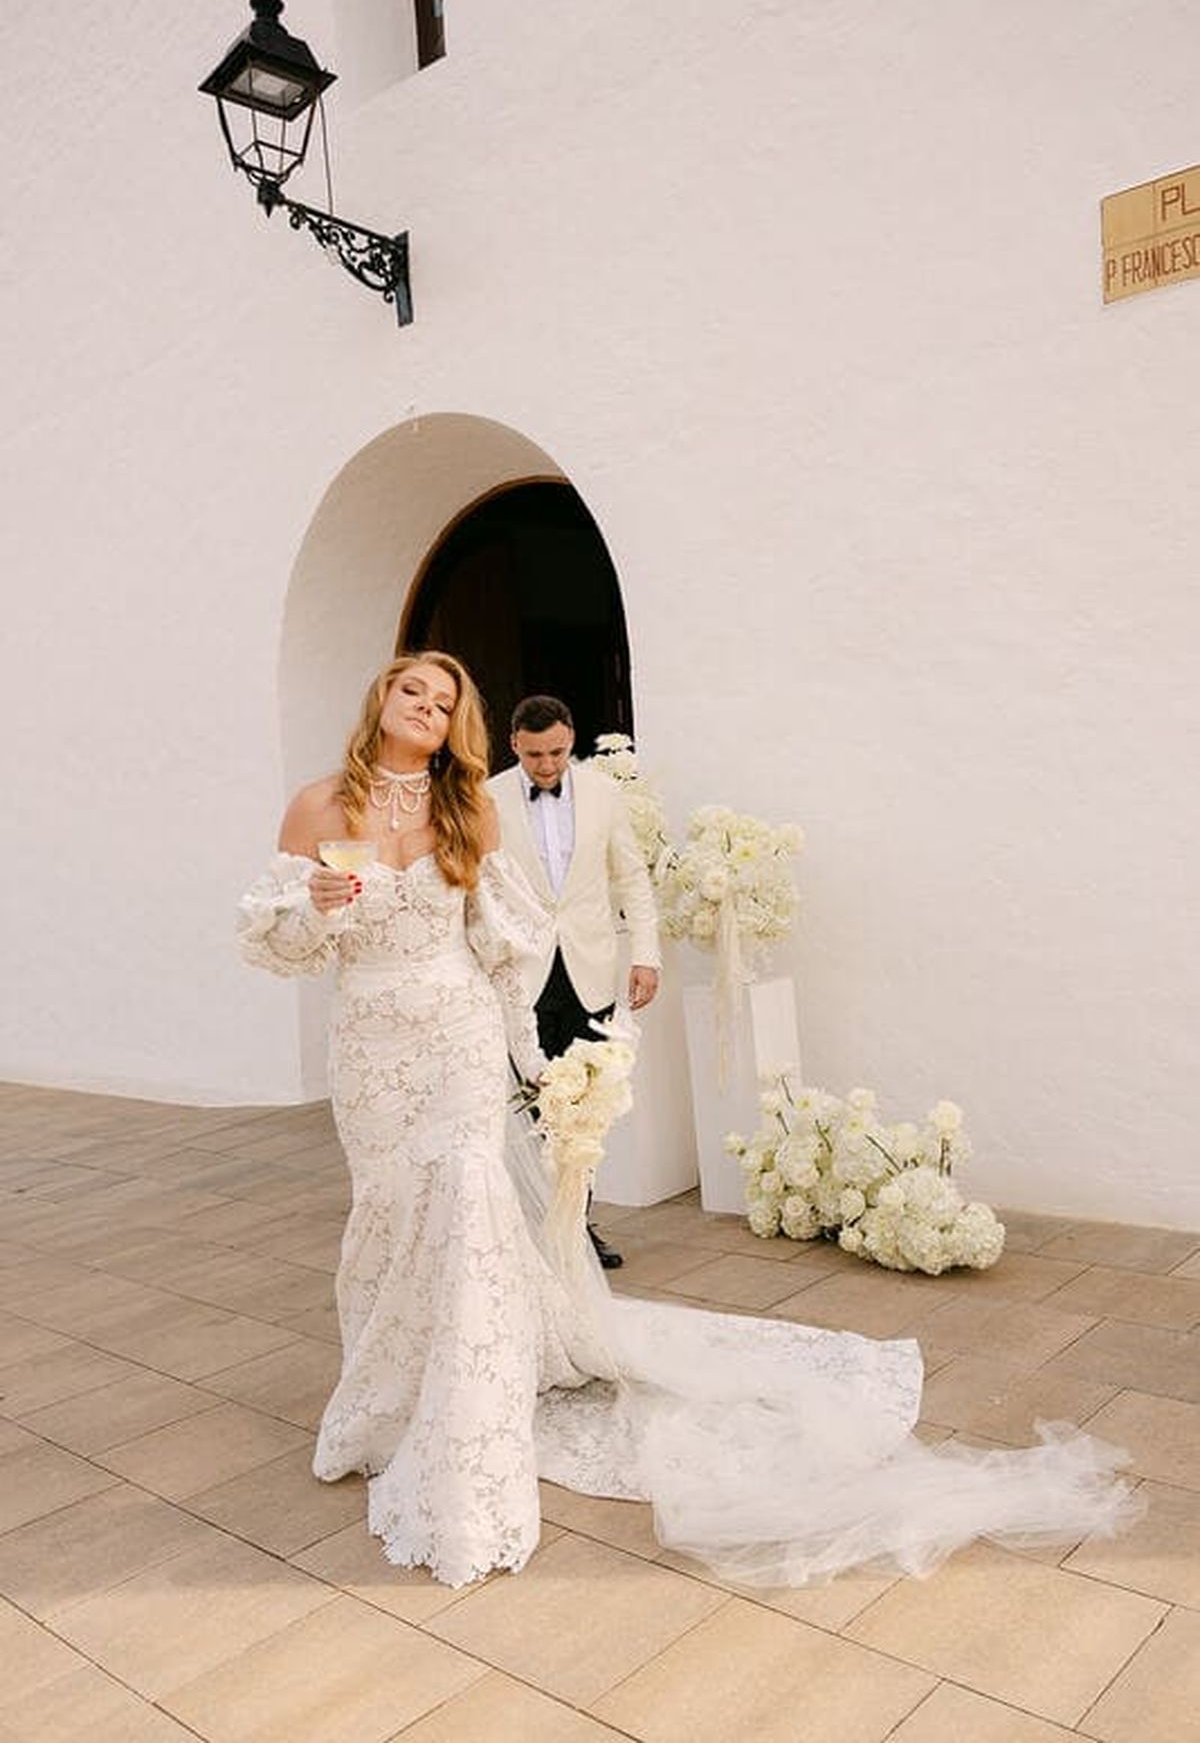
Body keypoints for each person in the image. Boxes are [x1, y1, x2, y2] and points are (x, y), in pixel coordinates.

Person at [239, 651, 1140, 1591]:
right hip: (373, 1052)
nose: (425, 707)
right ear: (381, 697)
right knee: (387, 1214)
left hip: (459, 1042)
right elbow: (283, 948)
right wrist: (315, 906)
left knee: (468, 1207)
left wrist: (543, 1066)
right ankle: (387, 1395)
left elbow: (503, 951)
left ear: (458, 723)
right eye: (412, 690)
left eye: (445, 699)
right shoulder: (316, 807)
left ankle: (466, 1425)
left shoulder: (469, 810)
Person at [490, 694, 661, 1268]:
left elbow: (631, 878)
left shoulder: (602, 794)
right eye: (535, 754)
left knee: (587, 1107)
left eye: (557, 752)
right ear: (514, 742)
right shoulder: (486, 799)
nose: (547, 765)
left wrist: (646, 955)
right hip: (521, 973)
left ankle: (577, 1225)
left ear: (571, 740)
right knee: (532, 1106)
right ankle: (537, 1227)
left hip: (590, 970)